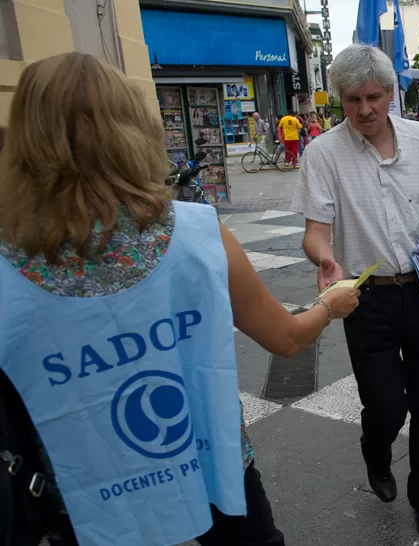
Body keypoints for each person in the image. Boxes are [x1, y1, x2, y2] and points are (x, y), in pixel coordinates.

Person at [0, 52, 360, 546]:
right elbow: (287, 339)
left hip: (84, 498)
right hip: (209, 463)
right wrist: (331, 305)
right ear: (129, 129)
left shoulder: (8, 264)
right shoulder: (196, 234)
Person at [291, 44, 419, 543]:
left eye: (374, 97)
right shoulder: (324, 153)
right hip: (365, 298)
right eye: (353, 100)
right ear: (338, 100)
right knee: (386, 404)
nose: (365, 109)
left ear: (391, 93)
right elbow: (314, 230)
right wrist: (323, 258)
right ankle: (376, 451)